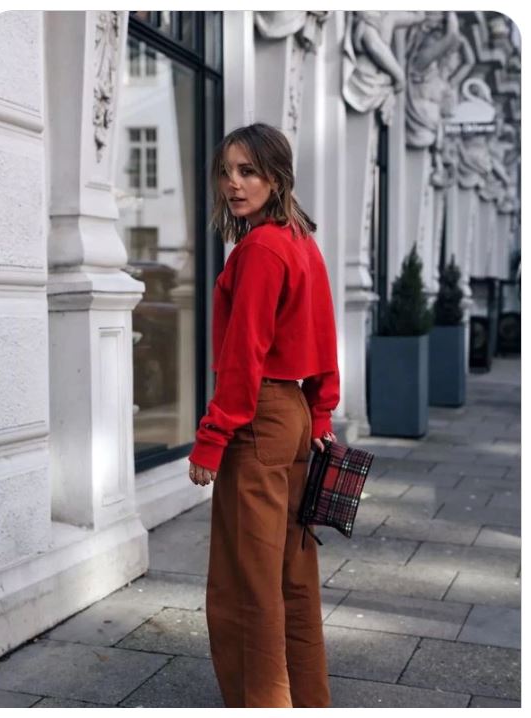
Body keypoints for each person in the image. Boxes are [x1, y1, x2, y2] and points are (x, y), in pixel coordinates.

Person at [187, 122, 340, 708]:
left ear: (276, 176)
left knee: (244, 587)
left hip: (258, 417)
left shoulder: (260, 249)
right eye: (226, 171)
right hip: (295, 413)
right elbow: (325, 341)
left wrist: (211, 439)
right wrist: (320, 415)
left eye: (247, 171)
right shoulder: (300, 240)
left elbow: (244, 355)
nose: (233, 183)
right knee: (292, 578)